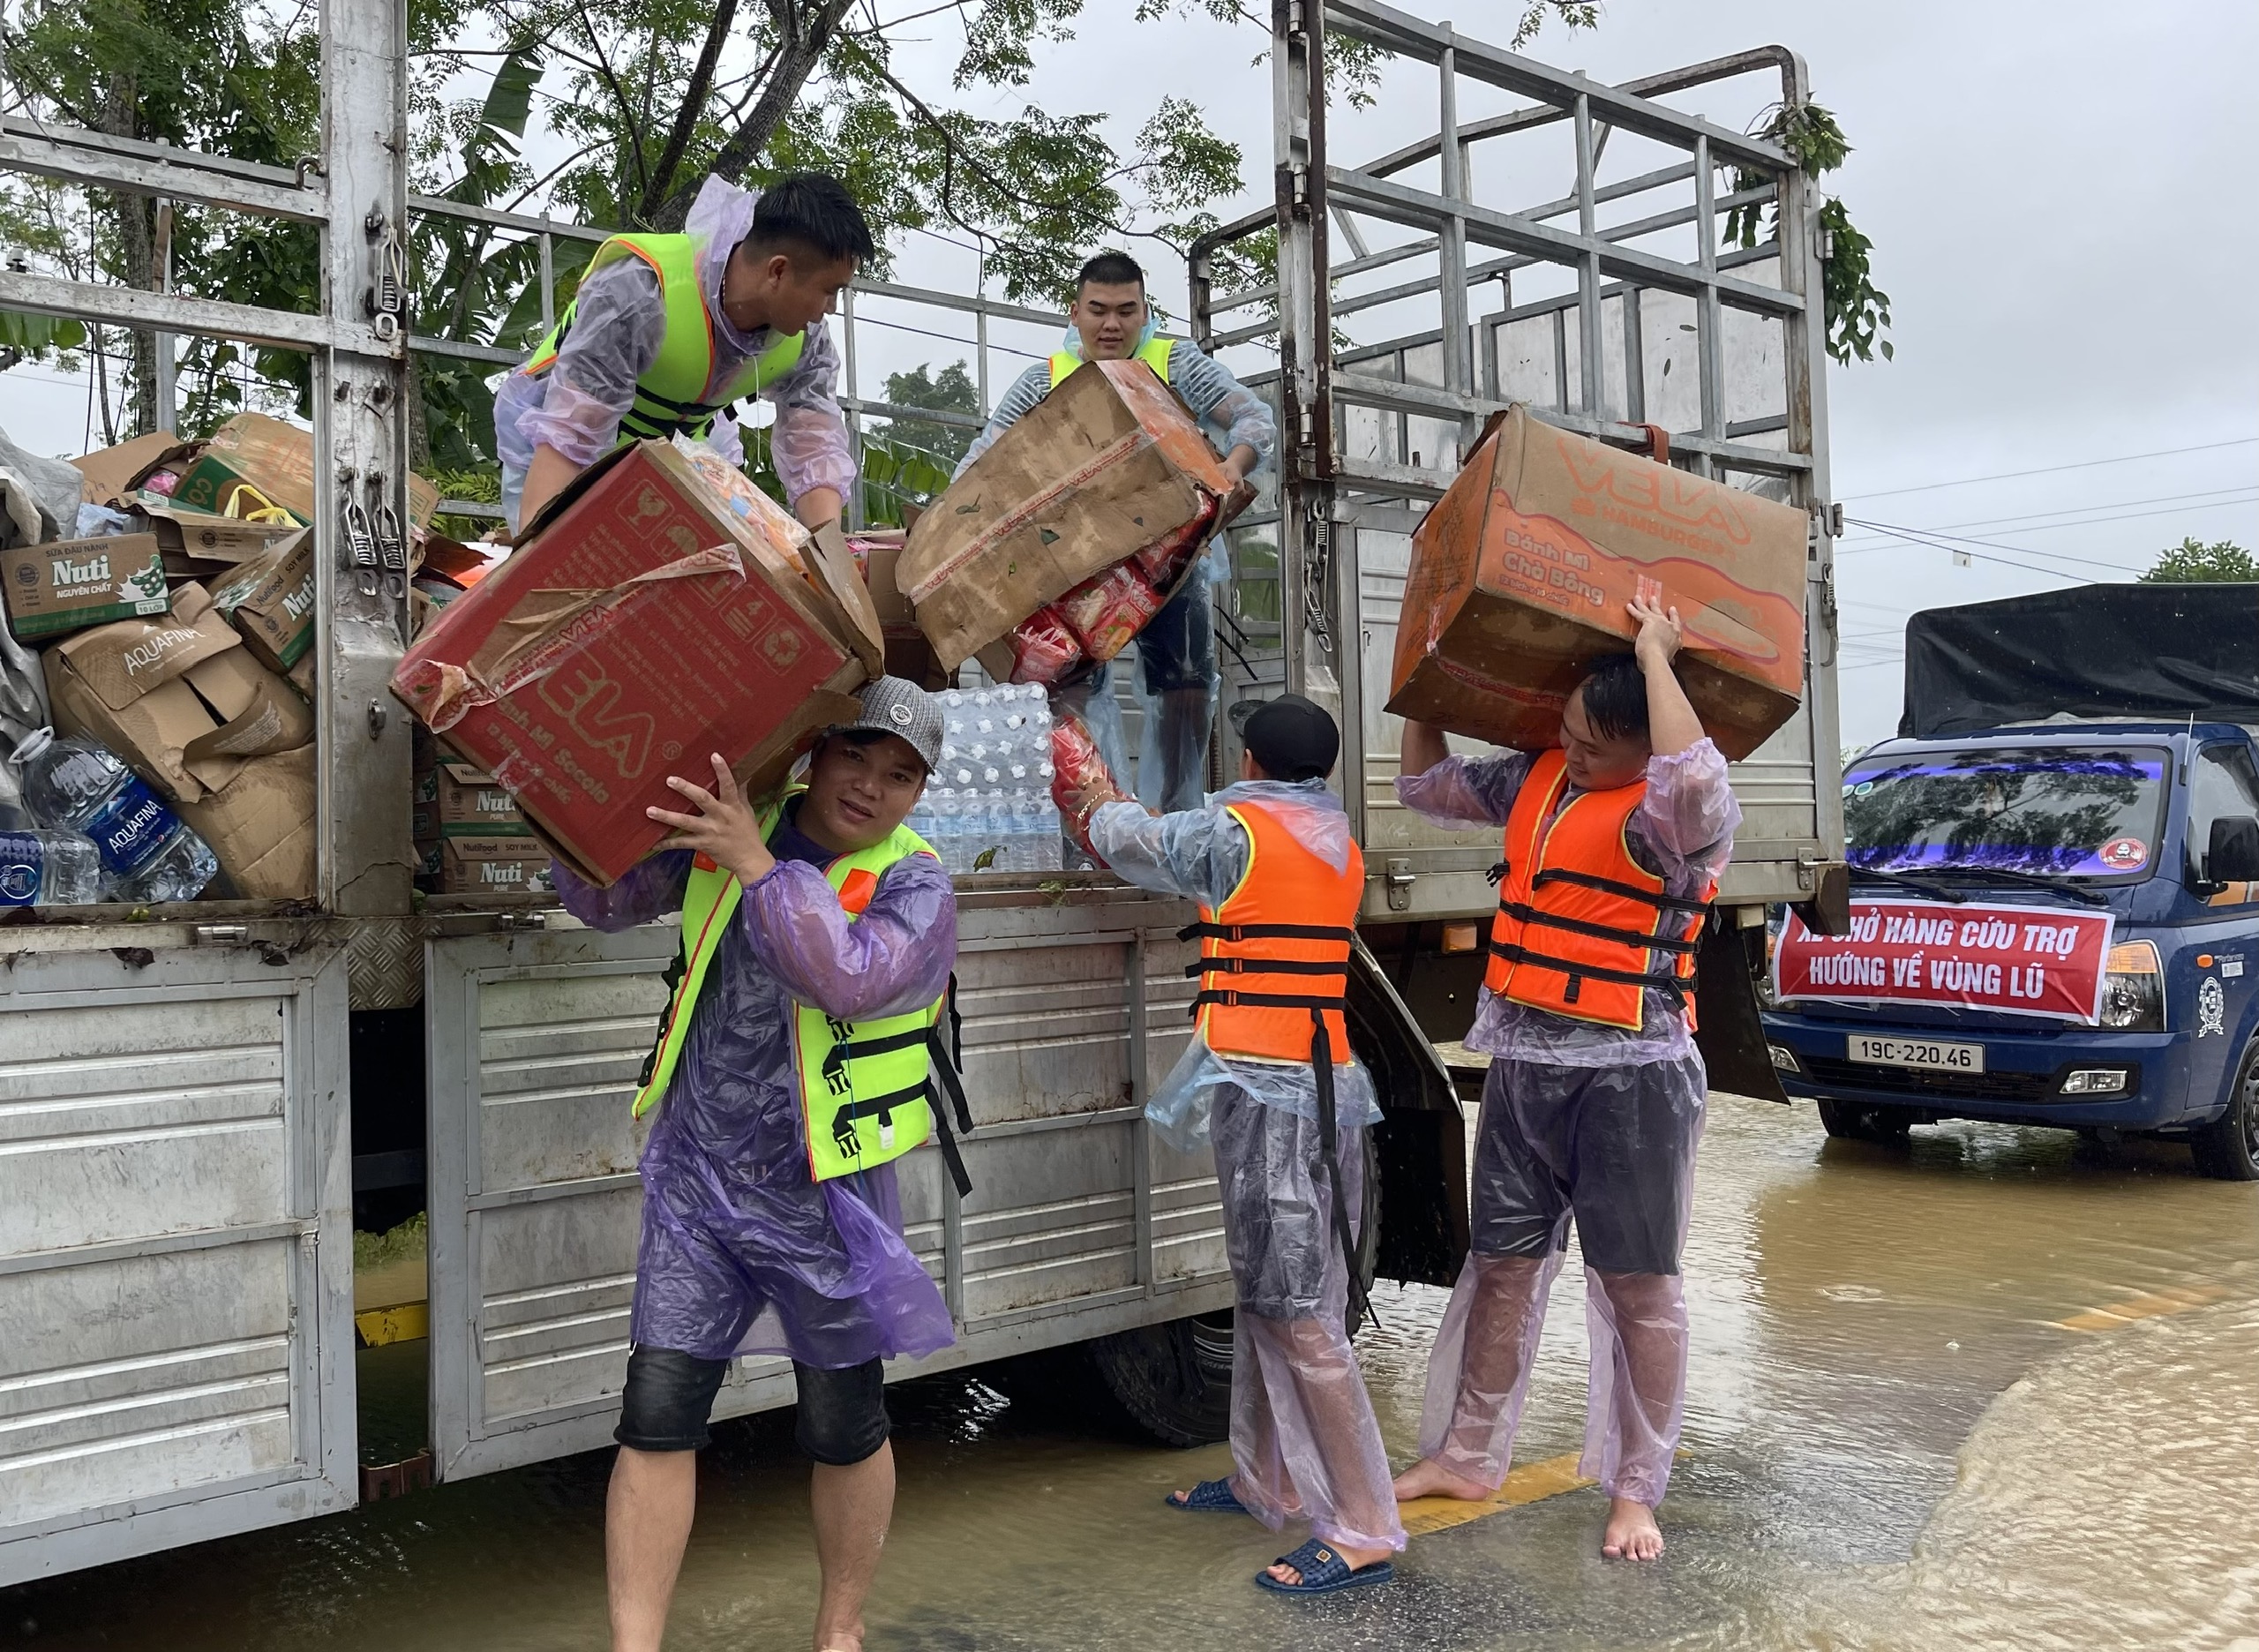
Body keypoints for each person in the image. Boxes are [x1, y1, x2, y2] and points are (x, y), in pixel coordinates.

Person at [552, 678, 961, 1652]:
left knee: (843, 1420)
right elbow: (611, 897)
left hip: (828, 1196)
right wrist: (564, 798)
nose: (871, 786)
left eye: (900, 775)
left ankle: (839, 1628)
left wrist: (759, 867)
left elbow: (846, 978)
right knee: (656, 1409)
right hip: (699, 1178)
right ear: (816, 753)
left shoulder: (916, 884)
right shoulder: (737, 821)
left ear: (916, 797)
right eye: (857, 756)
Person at [1388, 597, 1739, 1563]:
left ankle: (1636, 1490)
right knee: (1500, 1268)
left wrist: (1655, 654)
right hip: (1523, 1069)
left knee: (1636, 1291)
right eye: (1567, 735)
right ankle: (1465, 1455)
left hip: (1634, 1080)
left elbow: (1695, 770)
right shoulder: (1538, 777)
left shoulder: (1679, 820)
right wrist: (1425, 688)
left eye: (1592, 744)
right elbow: (1424, 787)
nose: (1570, 752)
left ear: (1639, 745)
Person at [1070, 694, 1404, 1596]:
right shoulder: (1330, 835)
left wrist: (1080, 765)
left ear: (1249, 762)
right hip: (1310, 1082)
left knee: (1295, 1311)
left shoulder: (1239, 835)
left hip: (1274, 1093)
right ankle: (1269, 1477)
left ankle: (1363, 1524)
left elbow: (1125, 838)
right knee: (1266, 1294)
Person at [957, 250, 1277, 814]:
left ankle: (1172, 821)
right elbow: (983, 464)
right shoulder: (1044, 382)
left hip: (1172, 565)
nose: (1112, 325)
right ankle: (1097, 825)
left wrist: (1231, 469)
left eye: (1126, 311)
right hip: (1081, 569)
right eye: (1098, 310)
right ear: (1074, 312)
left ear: (1144, 311)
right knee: (1077, 691)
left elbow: (1254, 419)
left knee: (1185, 686)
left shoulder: (1176, 364)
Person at [495, 171, 875, 536]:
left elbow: (814, 446)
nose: (830, 309)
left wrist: (830, 560)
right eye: (830, 291)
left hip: (676, 455)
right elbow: (570, 431)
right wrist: (536, 551)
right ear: (778, 272)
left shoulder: (807, 339)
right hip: (558, 447)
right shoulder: (641, 290)